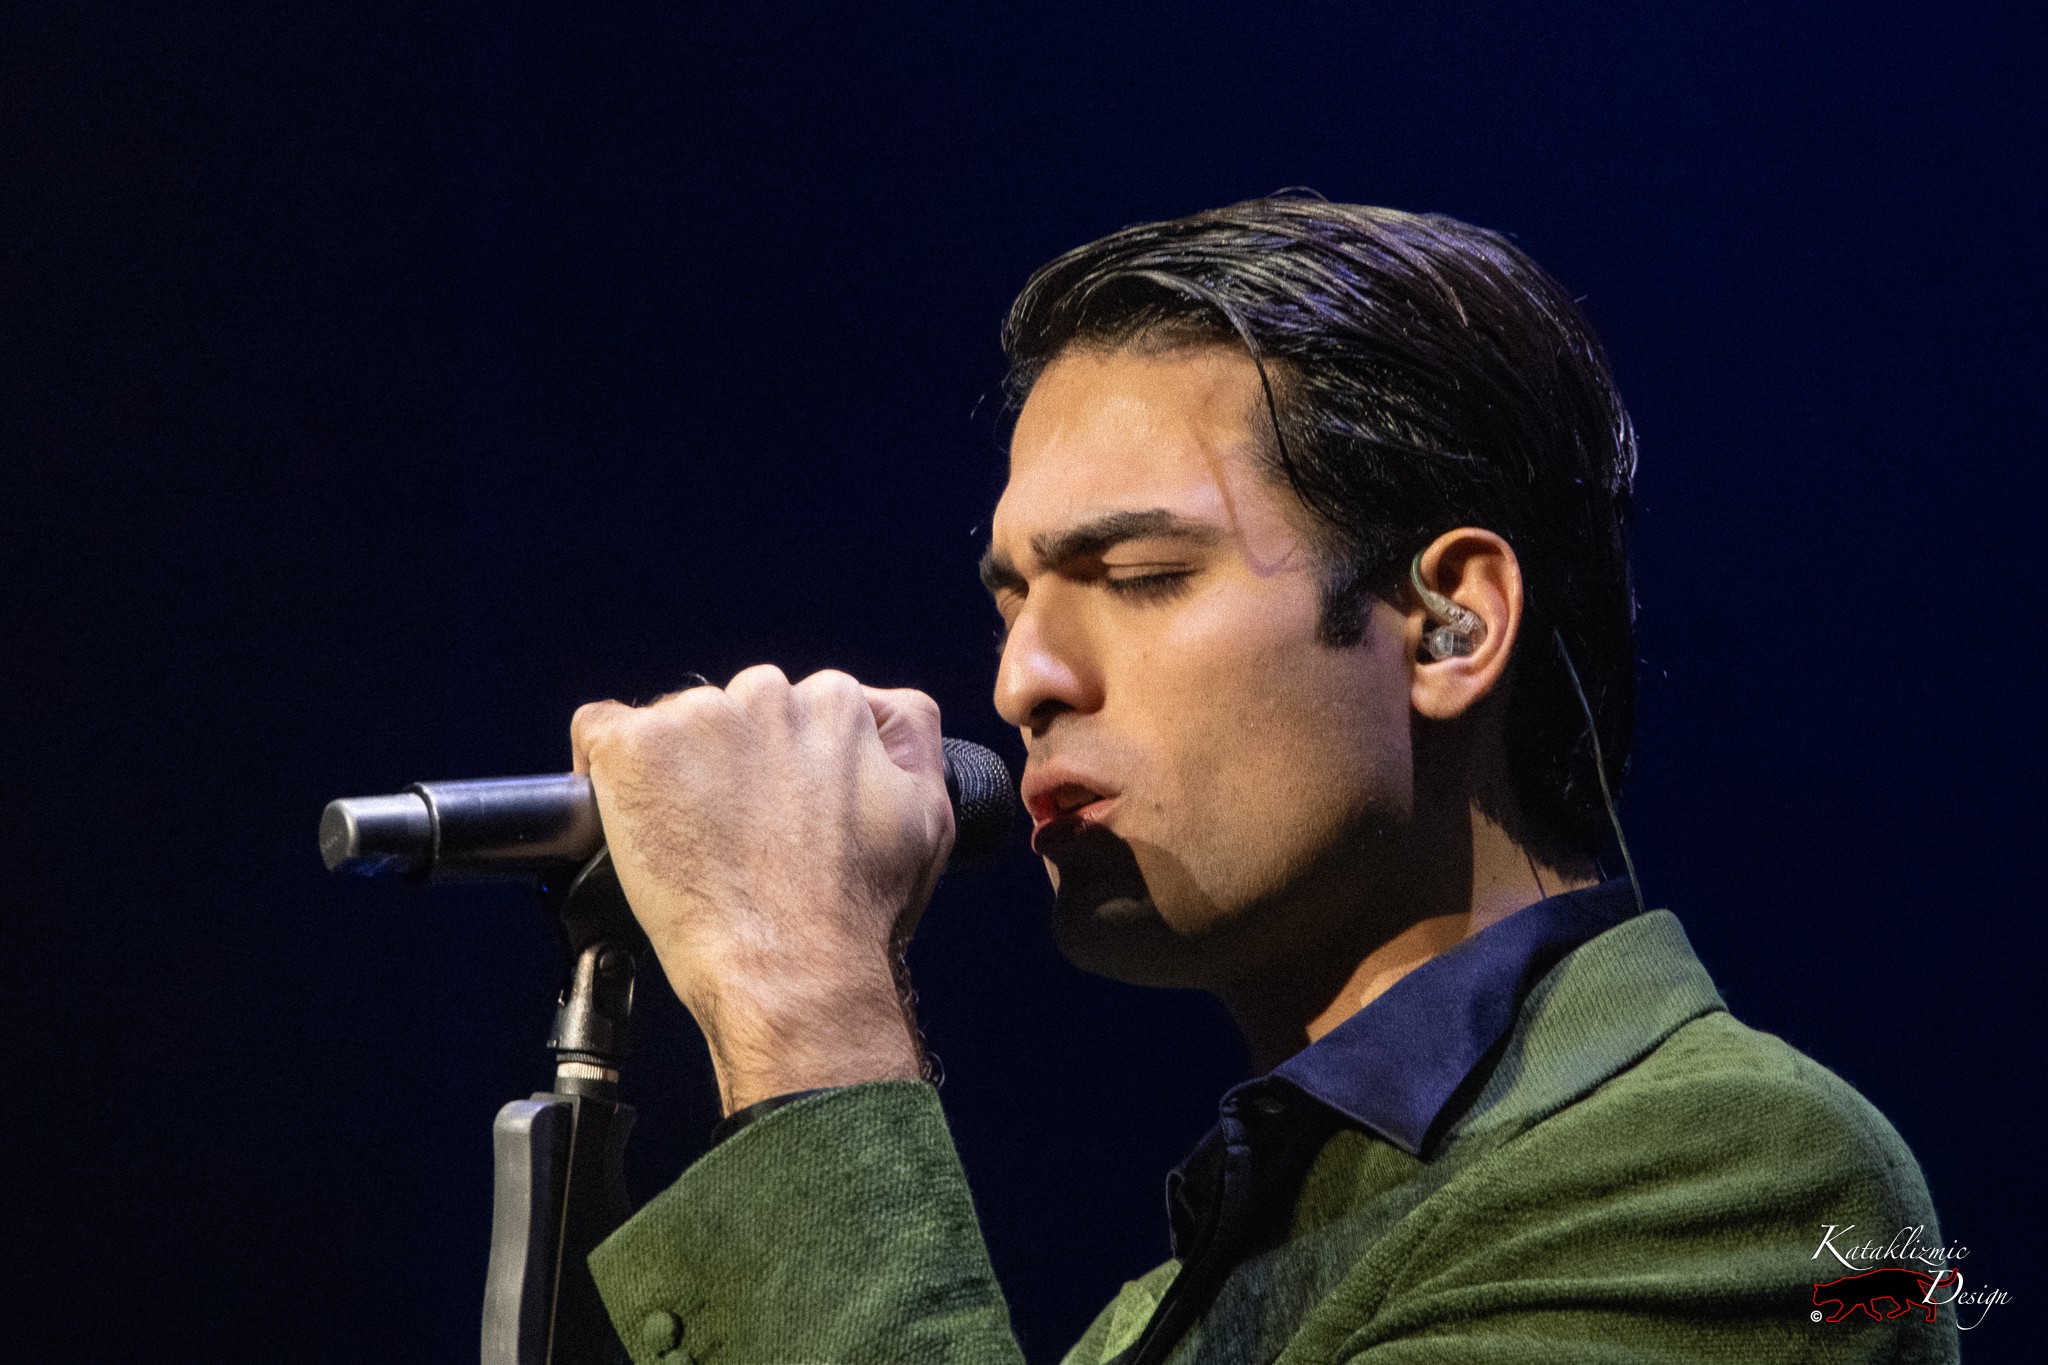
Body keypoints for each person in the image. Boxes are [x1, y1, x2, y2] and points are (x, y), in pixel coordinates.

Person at [567, 199, 1958, 1363]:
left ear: (1451, 621)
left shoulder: (1758, 1188)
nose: (1021, 680)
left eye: (1141, 577)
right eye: (1012, 603)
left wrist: (803, 1002)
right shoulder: (1168, 1306)